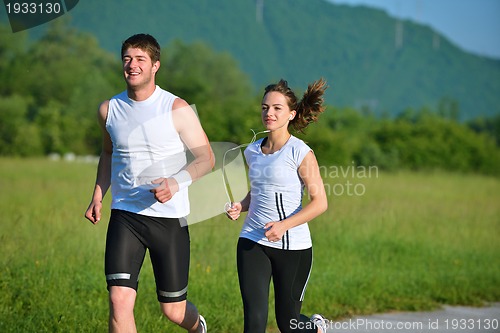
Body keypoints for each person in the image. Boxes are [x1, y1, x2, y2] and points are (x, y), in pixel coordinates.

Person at [84, 33, 213, 333]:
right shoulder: (109, 110)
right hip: (125, 215)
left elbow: (206, 157)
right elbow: (107, 153)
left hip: (168, 221)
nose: (132, 65)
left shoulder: (175, 108)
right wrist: (98, 195)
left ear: (155, 65)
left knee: (173, 310)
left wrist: (176, 182)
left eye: (140, 59)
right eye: (127, 59)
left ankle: (198, 327)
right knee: (118, 301)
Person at [226, 79, 330, 333]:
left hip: (292, 246)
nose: (268, 113)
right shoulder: (252, 151)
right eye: (264, 107)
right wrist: (241, 205)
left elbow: (320, 203)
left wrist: (284, 225)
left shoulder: (300, 152)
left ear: (291, 114)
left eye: (276, 108)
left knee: (289, 324)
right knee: (254, 321)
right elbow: (260, 191)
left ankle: (315, 328)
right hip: (252, 240)